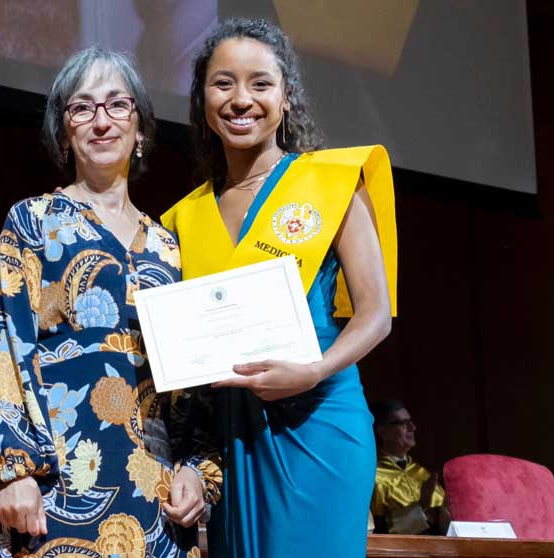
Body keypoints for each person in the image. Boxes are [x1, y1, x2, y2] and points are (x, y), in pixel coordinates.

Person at [0, 46, 221, 558]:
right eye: (82, 108)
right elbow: (2, 345)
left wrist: (198, 472)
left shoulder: (169, 247)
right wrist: (11, 473)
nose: (101, 121)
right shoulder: (33, 222)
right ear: (64, 133)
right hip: (56, 487)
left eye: (117, 105)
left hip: (156, 501)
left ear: (141, 128)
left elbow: (194, 386)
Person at [162, 18, 398, 557]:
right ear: (202, 100)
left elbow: (375, 315)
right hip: (231, 436)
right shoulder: (180, 220)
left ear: (287, 99)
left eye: (260, 84)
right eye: (223, 83)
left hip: (319, 421)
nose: (241, 99)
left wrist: (312, 369)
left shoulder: (334, 182)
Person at [369, 400, 448, 535]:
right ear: (382, 431)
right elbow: (377, 528)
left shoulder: (422, 473)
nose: (412, 427)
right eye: (403, 423)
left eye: (410, 421)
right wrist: (421, 506)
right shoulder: (372, 475)